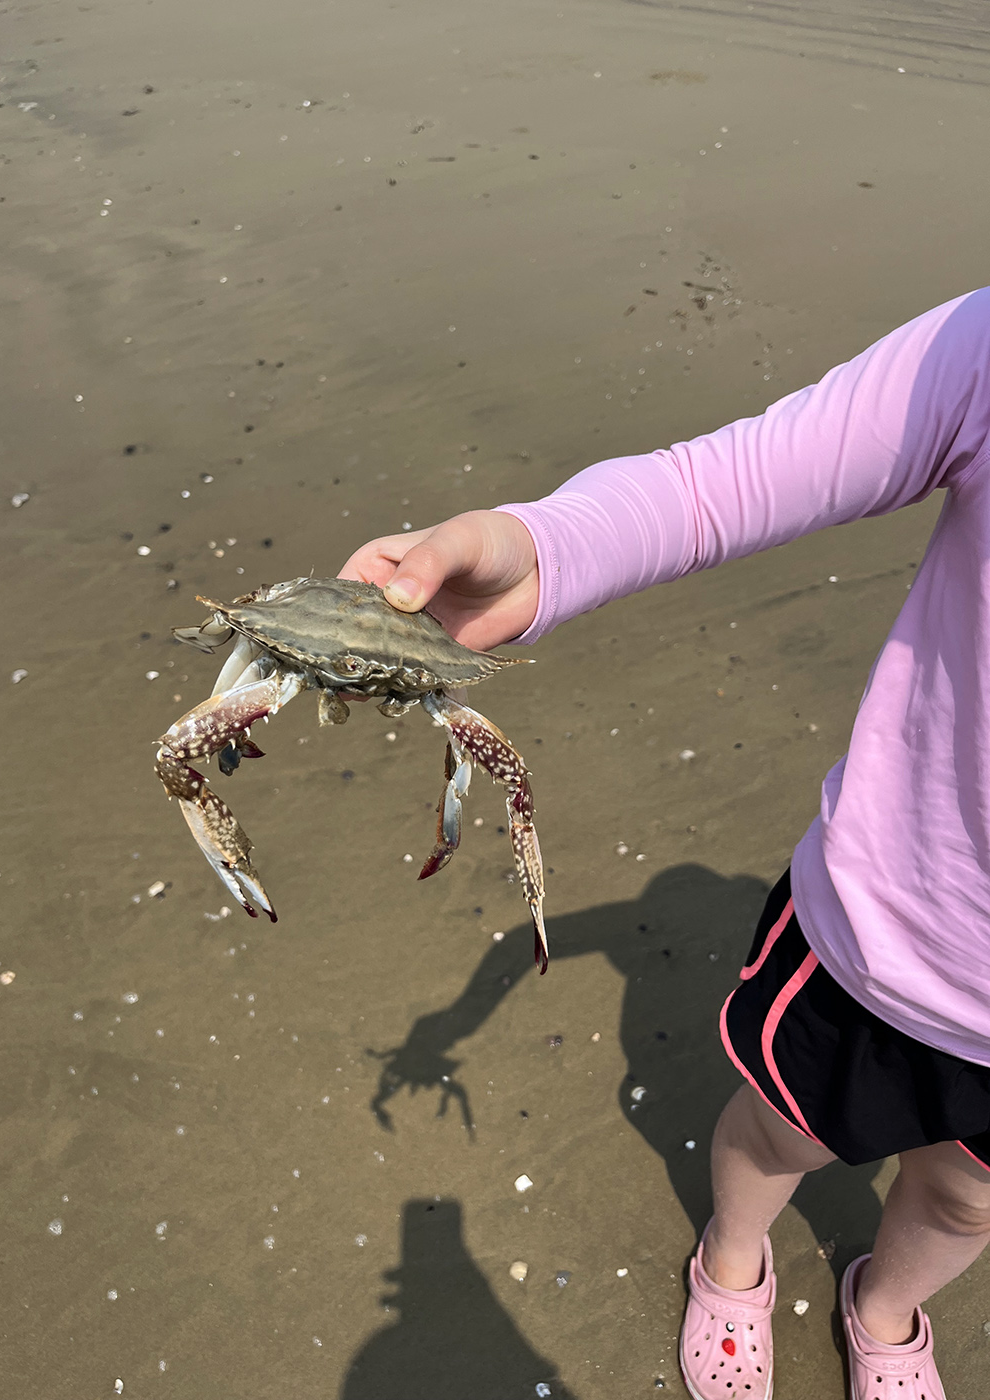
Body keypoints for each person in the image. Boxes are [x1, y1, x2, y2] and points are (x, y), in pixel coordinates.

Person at [340, 289, 990, 1399]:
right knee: (783, 1131)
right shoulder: (975, 352)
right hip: (888, 934)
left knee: (969, 1197)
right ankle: (731, 1255)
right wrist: (543, 547)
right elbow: (709, 488)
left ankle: (886, 1310)